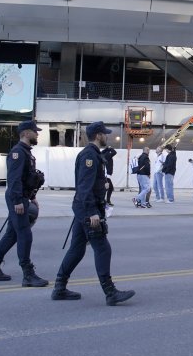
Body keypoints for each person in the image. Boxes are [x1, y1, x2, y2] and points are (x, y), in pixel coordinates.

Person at [51, 121, 134, 305]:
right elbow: (84, 187)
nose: (107, 136)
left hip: (83, 208)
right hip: (88, 209)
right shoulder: (90, 155)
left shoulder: (93, 154)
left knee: (77, 249)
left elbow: (89, 184)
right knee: (103, 248)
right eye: (105, 134)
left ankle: (59, 287)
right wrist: (92, 212)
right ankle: (110, 292)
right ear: (98, 135)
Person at [0, 121, 48, 286]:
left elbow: (28, 178)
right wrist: (18, 201)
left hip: (22, 197)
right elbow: (14, 180)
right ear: (26, 133)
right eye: (35, 131)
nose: (37, 134)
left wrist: (31, 196)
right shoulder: (18, 153)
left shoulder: (26, 152)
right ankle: (28, 274)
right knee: (25, 235)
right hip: (16, 199)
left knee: (12, 234)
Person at [100, 143, 117, 214]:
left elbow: (102, 151)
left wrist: (107, 148)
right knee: (109, 188)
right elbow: (114, 152)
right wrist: (110, 148)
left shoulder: (102, 154)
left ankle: (105, 201)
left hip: (105, 174)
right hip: (106, 175)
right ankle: (104, 201)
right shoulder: (108, 155)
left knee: (107, 188)